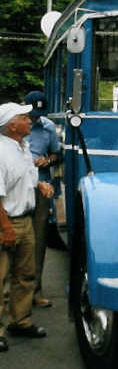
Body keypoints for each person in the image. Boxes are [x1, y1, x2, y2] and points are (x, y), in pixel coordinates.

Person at [0, 102, 53, 352]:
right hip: (6, 221)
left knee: (25, 275)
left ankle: (20, 321)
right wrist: (6, 228)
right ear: (12, 125)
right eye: (24, 117)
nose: (30, 120)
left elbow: (29, 175)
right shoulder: (1, 152)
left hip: (26, 220)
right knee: (1, 279)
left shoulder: (22, 147)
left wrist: (40, 185)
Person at [23, 91, 61, 307]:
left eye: (39, 114)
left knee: (38, 241)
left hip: (42, 188)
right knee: (14, 239)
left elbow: (57, 154)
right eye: (33, 114)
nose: (36, 119)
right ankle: (10, 294)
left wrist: (48, 160)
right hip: (18, 187)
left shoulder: (47, 127)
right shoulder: (12, 125)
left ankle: (35, 292)